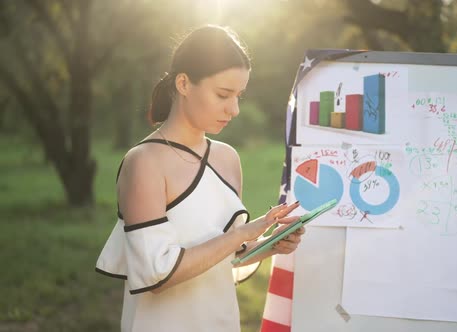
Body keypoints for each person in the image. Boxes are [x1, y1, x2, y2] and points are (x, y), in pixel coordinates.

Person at [95, 25, 304, 332]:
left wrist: (269, 243)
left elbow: (224, 259)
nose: (233, 109)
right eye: (223, 94)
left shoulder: (228, 158)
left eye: (239, 96)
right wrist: (241, 234)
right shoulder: (144, 162)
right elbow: (156, 273)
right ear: (183, 83)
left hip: (221, 321)